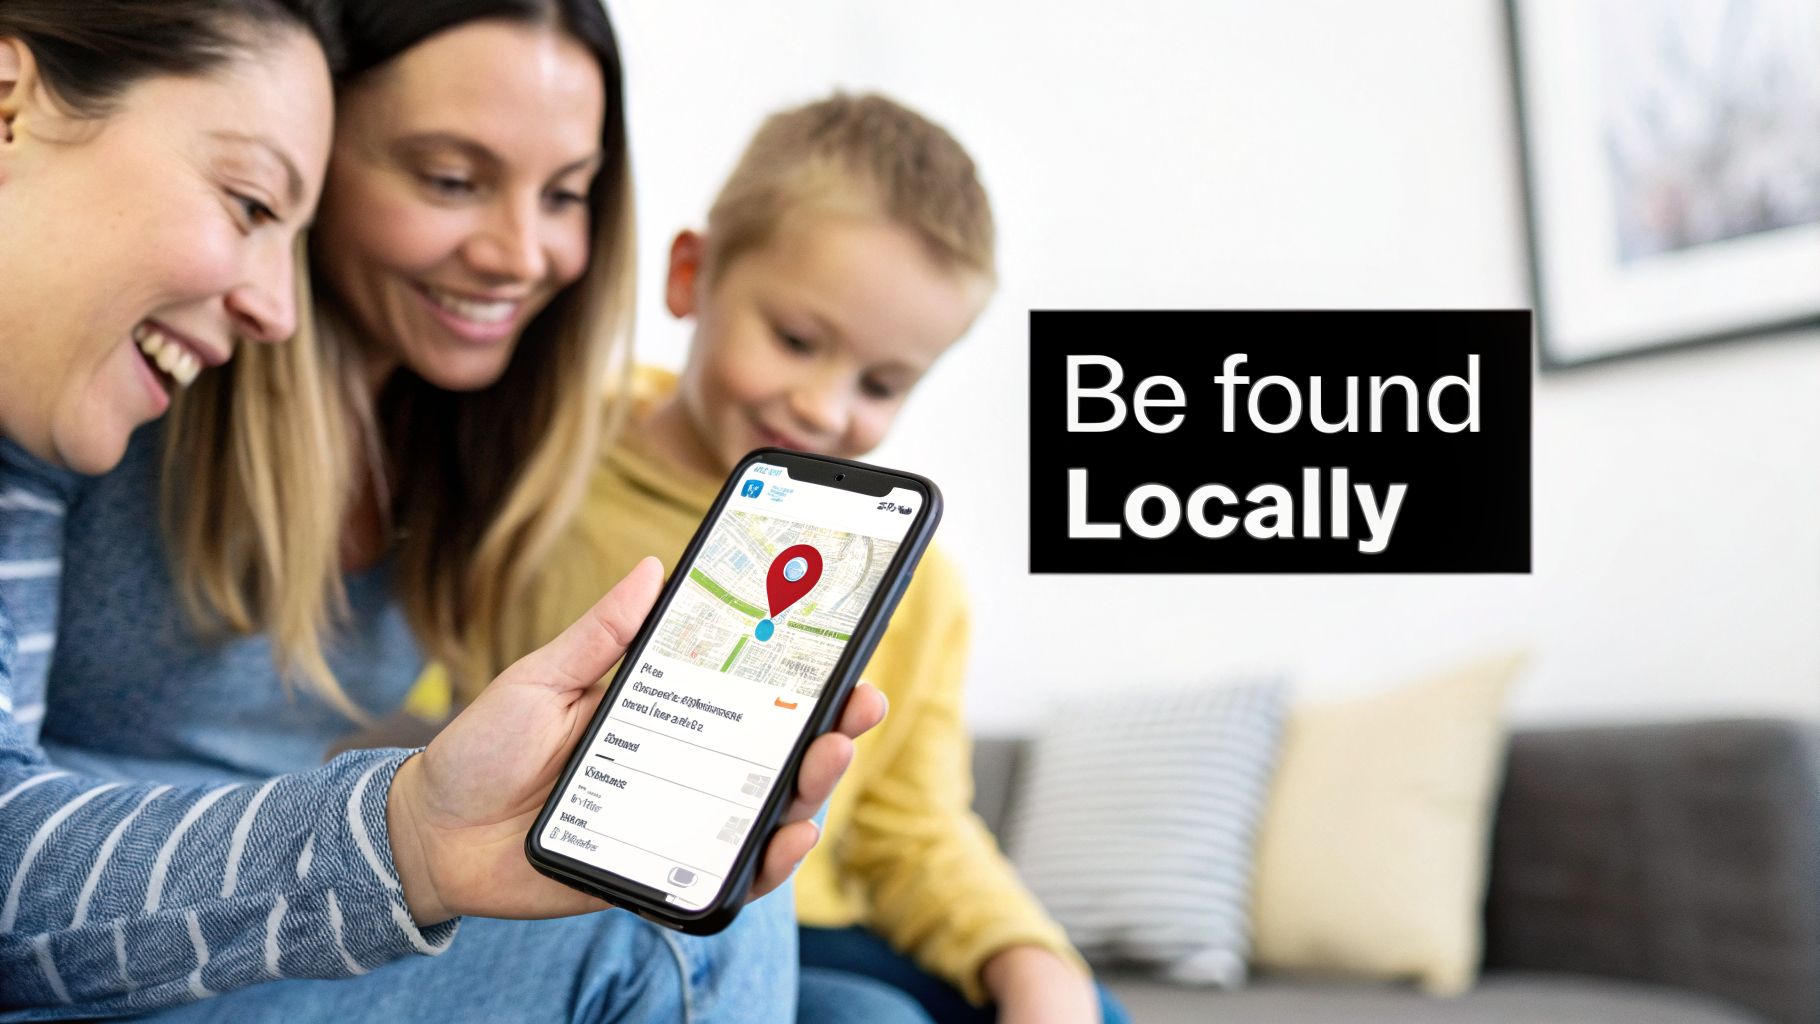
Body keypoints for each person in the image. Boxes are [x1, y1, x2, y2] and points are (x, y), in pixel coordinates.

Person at [2, 3, 878, 1020]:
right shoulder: (92, 368)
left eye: (565, 194)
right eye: (451, 181)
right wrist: (402, 831)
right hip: (136, 924)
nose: (517, 254)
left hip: (259, 893)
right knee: (659, 924)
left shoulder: (473, 433)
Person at [491, 93, 1129, 1024]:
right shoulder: (547, 464)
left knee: (1084, 1008)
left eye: (881, 383)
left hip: (813, 916)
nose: (827, 409)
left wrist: (1025, 958)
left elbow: (913, 833)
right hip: (596, 901)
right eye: (795, 341)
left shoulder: (919, 586)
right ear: (690, 276)